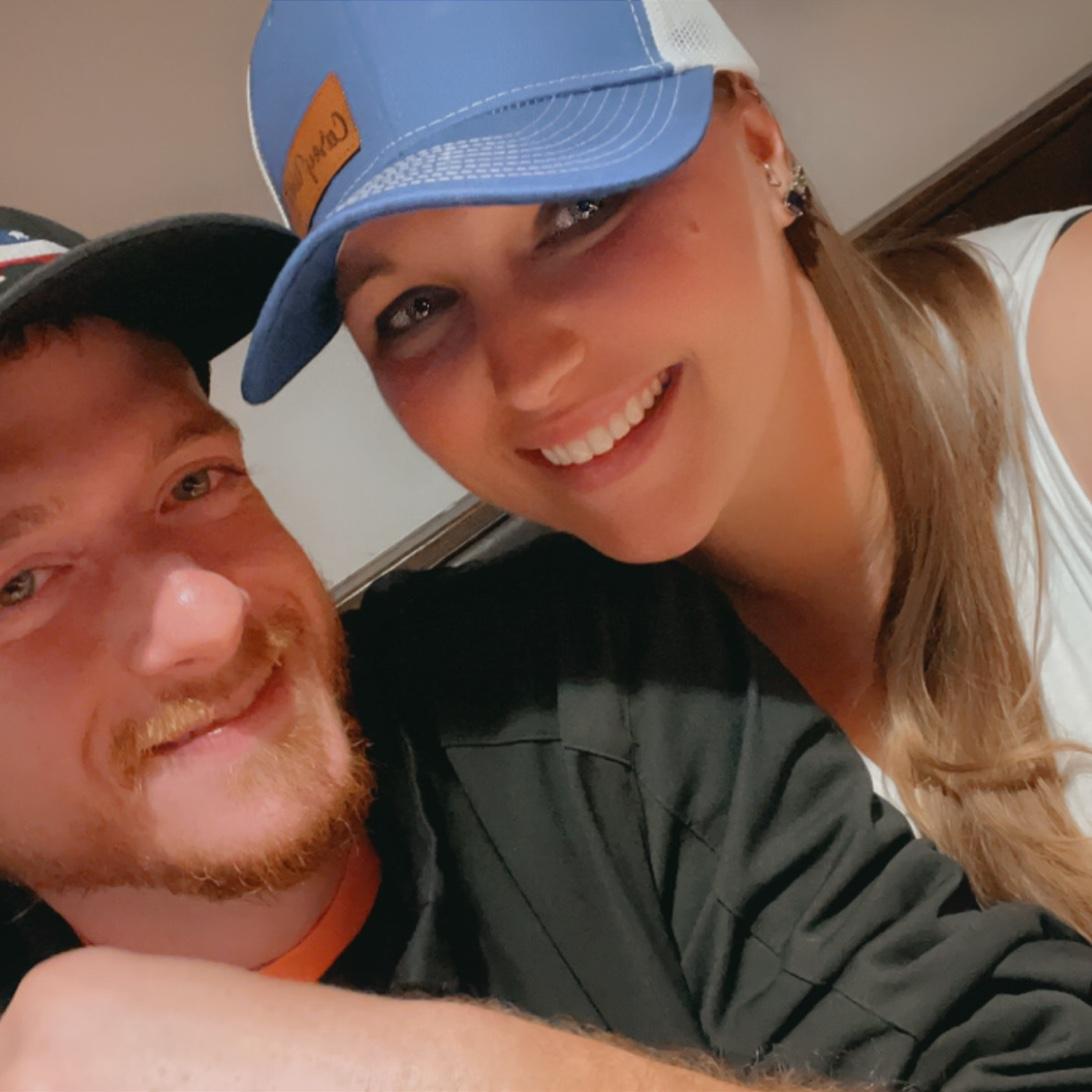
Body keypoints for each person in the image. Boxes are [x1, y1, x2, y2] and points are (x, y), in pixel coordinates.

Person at [5, 209, 1092, 1090]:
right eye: (17, 583)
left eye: (194, 482)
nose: (209, 617)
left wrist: (417, 1073)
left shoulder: (577, 678)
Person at [241, 0, 1092, 938]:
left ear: (762, 147)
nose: (528, 373)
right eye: (416, 307)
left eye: (580, 207)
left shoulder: (1070, 352)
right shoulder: (571, 729)